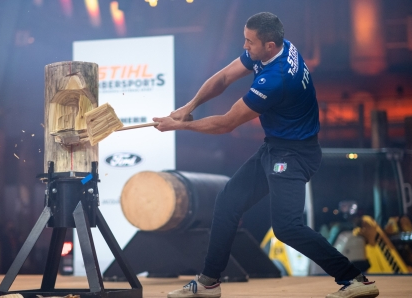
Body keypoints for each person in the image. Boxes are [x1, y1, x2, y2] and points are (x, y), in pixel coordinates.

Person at [153, 12, 379, 298]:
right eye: (244, 39)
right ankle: (209, 282)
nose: (245, 47)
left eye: (249, 42)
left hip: (295, 154)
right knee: (228, 200)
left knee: (287, 227)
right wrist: (190, 105)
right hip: (277, 147)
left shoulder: (276, 79)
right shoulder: (274, 47)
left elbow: (227, 123)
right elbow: (223, 77)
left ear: (269, 45)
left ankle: (355, 279)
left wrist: (179, 126)